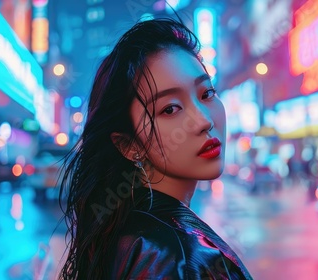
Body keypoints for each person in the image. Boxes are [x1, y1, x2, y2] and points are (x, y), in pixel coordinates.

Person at [58, 17, 253, 279]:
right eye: (170, 109)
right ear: (128, 145)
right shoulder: (175, 258)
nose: (204, 121)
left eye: (206, 93)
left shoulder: (130, 232)